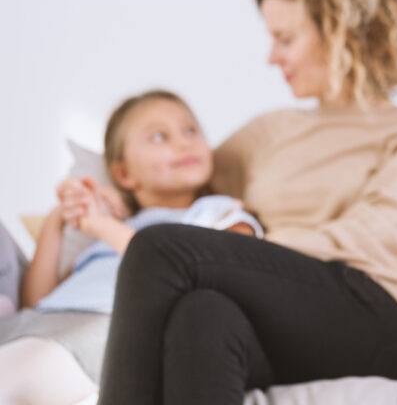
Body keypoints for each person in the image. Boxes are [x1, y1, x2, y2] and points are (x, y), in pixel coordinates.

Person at [82, 0, 397, 404]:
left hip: (374, 313)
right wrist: (122, 197)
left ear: (339, 31)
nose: (271, 57)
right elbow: (183, 180)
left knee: (157, 248)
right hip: (272, 317)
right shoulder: (269, 131)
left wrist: (261, 246)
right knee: (203, 317)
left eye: (284, 38)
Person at [0, 89, 262, 405]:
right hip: (32, 325)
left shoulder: (214, 212)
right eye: (158, 137)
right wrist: (61, 218)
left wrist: (101, 225)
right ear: (123, 174)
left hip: (102, 327)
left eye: (190, 130)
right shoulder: (105, 236)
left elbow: (220, 268)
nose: (183, 142)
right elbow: (37, 300)